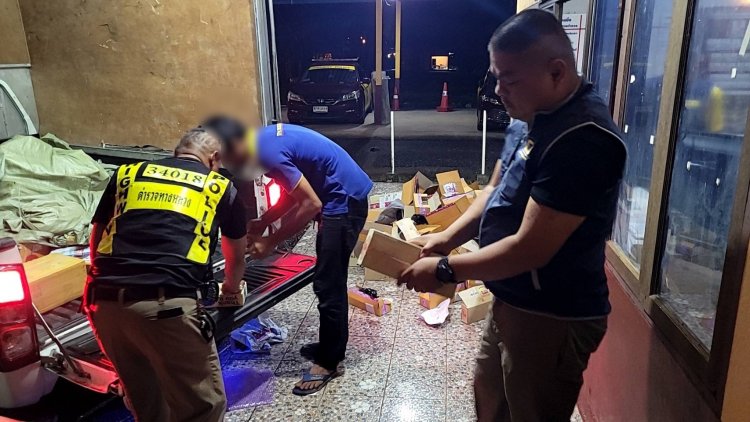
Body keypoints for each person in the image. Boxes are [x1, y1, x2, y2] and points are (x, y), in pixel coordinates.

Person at [398, 10, 627, 422]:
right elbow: (493, 190)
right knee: (489, 397)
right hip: (511, 298)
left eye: (510, 79)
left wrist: (447, 270)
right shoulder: (530, 117)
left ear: (556, 72)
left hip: (552, 315)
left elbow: (530, 249)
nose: (499, 91)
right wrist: (446, 238)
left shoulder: (582, 139)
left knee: (531, 411)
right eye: (495, 77)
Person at [201, 117, 372, 396]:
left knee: (328, 283)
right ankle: (331, 346)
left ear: (236, 145)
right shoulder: (262, 140)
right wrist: (264, 220)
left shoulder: (267, 153)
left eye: (227, 159)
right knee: (327, 279)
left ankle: (329, 362)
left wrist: (270, 241)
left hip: (343, 199)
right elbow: (297, 195)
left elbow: (310, 203)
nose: (231, 166)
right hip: (336, 194)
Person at [85, 128, 247, 421]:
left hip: (105, 305)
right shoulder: (219, 186)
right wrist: (231, 290)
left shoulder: (127, 174)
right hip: (167, 307)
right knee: (201, 407)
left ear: (176, 152)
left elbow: (97, 237)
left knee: (146, 403)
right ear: (214, 158)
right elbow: (235, 257)